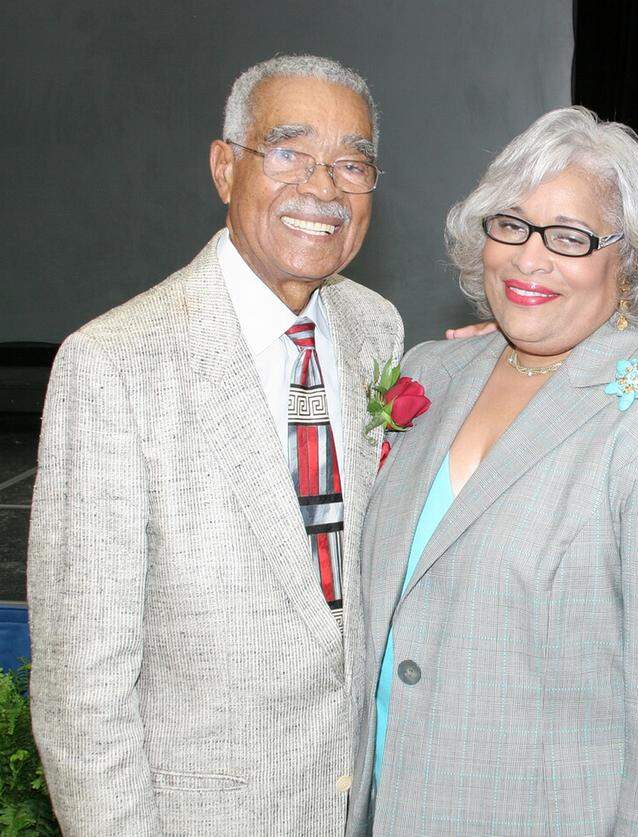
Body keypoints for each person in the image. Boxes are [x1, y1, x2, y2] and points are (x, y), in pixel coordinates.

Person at [346, 106, 638, 835]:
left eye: (570, 236)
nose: (529, 258)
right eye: (512, 224)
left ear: (629, 261)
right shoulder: (431, 372)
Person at [27, 54, 402, 834]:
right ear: (226, 168)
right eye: (290, 152)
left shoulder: (377, 329)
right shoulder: (114, 364)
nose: (324, 187)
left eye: (352, 163)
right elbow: (80, 691)